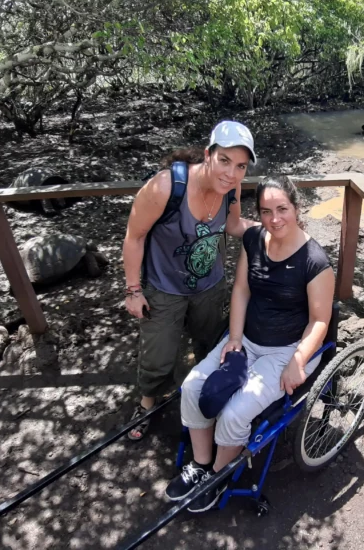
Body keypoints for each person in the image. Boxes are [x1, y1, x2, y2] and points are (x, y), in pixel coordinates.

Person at [165, 175, 335, 513]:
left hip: (287, 349)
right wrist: (236, 339)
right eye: (267, 211)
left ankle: (218, 475)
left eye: (282, 209)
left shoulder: (315, 261)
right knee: (191, 386)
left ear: (296, 208)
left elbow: (320, 320)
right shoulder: (255, 239)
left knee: (233, 414)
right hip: (247, 338)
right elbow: (241, 290)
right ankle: (201, 463)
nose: (275, 219)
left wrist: (298, 360)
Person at [122, 121, 258, 441]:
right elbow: (134, 237)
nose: (231, 173)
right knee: (159, 354)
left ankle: (206, 400)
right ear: (208, 154)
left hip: (209, 285)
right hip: (163, 287)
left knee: (209, 344)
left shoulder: (231, 189)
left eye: (240, 166)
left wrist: (272, 230)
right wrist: (132, 290)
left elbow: (234, 226)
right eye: (224, 160)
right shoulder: (165, 187)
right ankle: (146, 403)